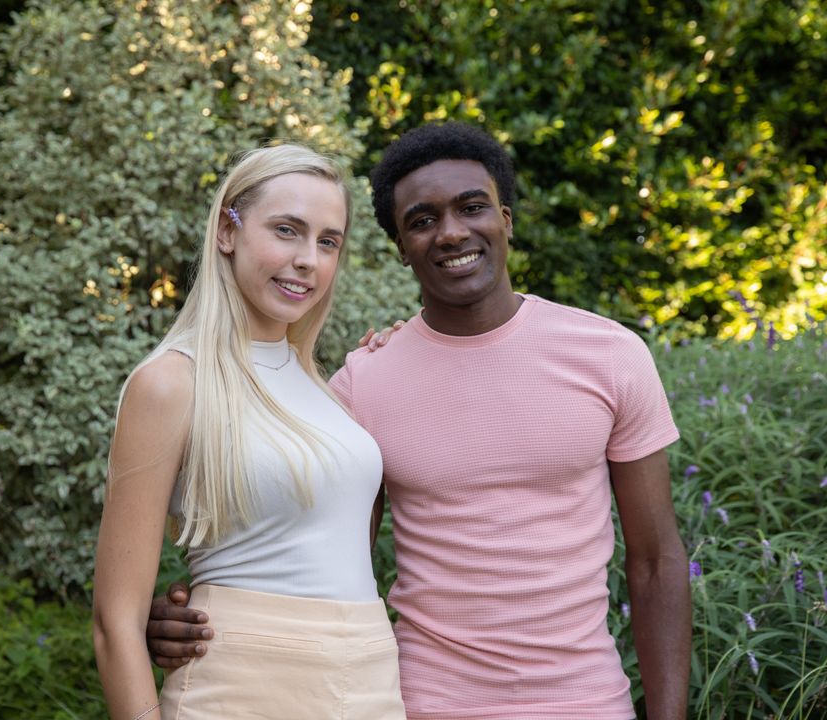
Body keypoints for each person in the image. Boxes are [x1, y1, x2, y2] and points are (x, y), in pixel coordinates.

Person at [146, 122, 692, 719]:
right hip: (419, 704)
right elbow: (310, 557)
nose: (452, 231)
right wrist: (195, 611)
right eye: (422, 220)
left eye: (472, 207)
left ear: (505, 220)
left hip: (587, 702)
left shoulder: (609, 355)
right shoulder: (359, 386)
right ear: (401, 247)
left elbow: (657, 559)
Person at [92, 143, 407, 720]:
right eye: (287, 230)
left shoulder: (328, 392)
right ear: (227, 231)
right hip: (239, 693)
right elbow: (116, 623)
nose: (308, 258)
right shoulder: (171, 383)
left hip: (369, 688)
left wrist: (403, 355)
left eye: (327, 241)